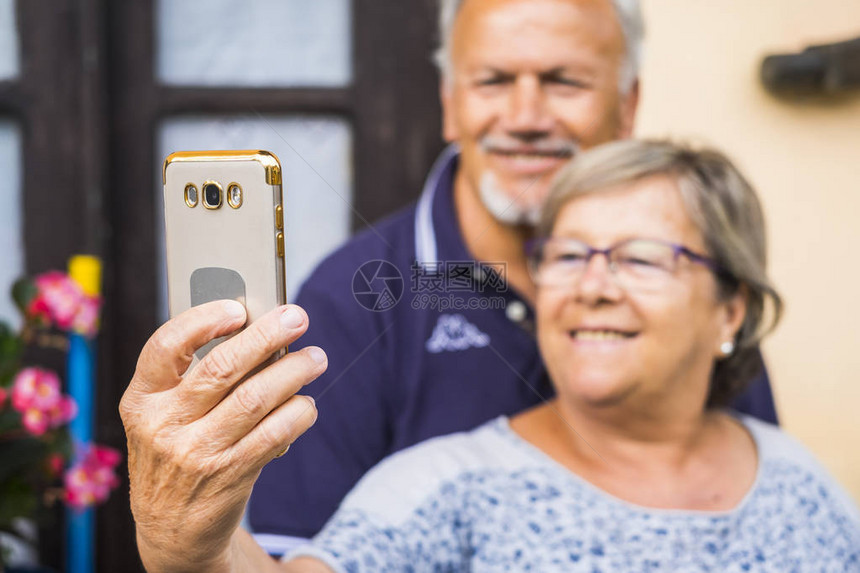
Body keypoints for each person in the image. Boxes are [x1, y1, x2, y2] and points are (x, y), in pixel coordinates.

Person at [121, 139, 860, 572]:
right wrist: (189, 549)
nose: (591, 286)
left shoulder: (798, 481)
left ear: (730, 308)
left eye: (638, 258)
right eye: (567, 256)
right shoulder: (444, 486)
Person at [248, 0, 780, 548]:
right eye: (493, 81)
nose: (526, 119)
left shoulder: (689, 294)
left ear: (628, 104)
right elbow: (289, 555)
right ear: (450, 103)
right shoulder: (354, 299)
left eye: (564, 81)